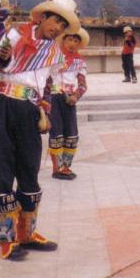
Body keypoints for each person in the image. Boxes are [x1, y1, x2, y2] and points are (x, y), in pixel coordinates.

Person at [0, 0, 79, 261]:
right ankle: (6, 239)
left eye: (63, 24)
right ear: (43, 17)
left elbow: (48, 86)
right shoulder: (14, 35)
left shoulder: (55, 52)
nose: (58, 28)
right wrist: (3, 59)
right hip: (3, 103)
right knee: (2, 169)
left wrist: (45, 111)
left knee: (29, 169)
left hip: (30, 110)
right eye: (55, 20)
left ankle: (27, 233)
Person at [48, 28, 89, 180]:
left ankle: (66, 167)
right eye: (69, 40)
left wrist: (76, 96)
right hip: (54, 98)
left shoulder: (80, 62)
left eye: (76, 41)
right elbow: (45, 79)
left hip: (70, 100)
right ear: (63, 40)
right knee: (56, 133)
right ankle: (57, 168)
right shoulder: (53, 58)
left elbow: (83, 85)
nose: (72, 43)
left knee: (71, 134)